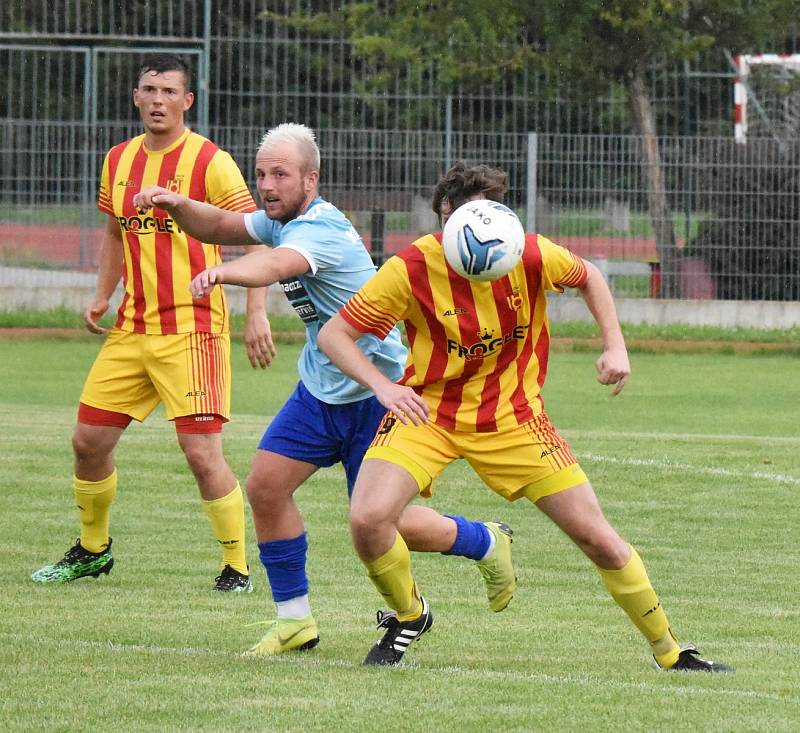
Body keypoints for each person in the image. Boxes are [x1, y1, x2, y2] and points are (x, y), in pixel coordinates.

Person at [317, 162, 734, 672]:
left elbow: (590, 277)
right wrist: (382, 386)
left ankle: (672, 652)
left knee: (597, 537)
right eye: (453, 222)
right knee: (368, 518)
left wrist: (615, 346)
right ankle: (409, 615)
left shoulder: (528, 251)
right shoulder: (409, 269)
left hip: (515, 417)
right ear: (441, 221)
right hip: (428, 412)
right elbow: (333, 334)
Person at [132, 123, 517, 655]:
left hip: (377, 393)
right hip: (320, 389)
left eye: (280, 175)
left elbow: (278, 265)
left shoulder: (321, 230)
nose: (267, 185)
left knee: (389, 524)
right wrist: (175, 202)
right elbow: (220, 223)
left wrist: (227, 275)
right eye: (261, 173)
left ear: (310, 179)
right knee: (266, 487)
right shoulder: (279, 220)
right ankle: (295, 622)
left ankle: (484, 541)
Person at [31, 53, 273, 593]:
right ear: (137, 98)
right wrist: (100, 296)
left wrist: (256, 313)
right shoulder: (117, 159)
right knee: (88, 441)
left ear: (187, 101)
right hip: (131, 329)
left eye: (169, 91)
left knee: (200, 453)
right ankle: (93, 550)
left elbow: (254, 234)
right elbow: (116, 233)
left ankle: (236, 567)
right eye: (149, 90)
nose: (158, 99)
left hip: (194, 331)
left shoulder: (211, 161)